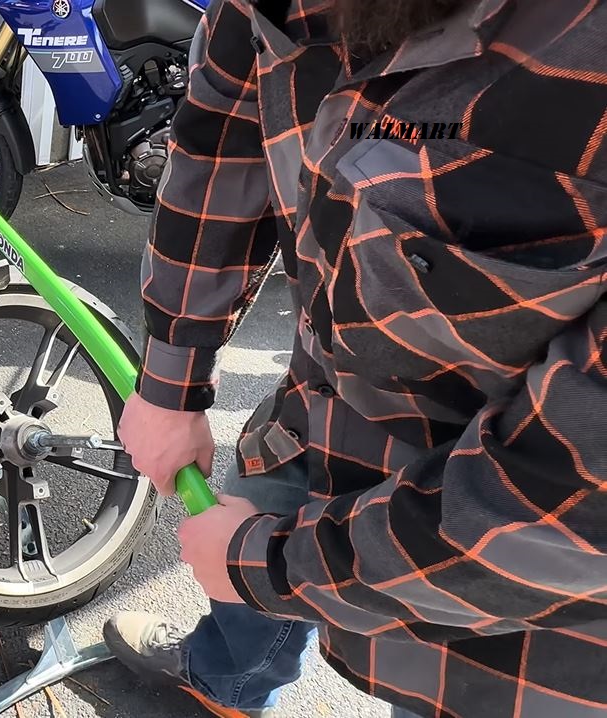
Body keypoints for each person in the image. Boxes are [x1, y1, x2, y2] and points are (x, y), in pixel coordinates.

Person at [102, 0, 607, 716]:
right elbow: (221, 144)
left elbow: (569, 511)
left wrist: (268, 565)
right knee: (253, 504)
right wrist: (170, 383)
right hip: (314, 403)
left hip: (513, 618)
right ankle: (228, 678)